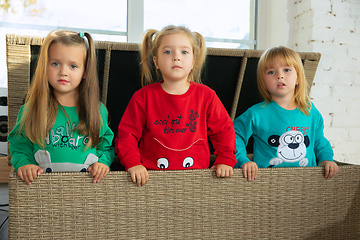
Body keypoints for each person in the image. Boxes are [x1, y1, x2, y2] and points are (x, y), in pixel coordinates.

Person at [115, 25, 236, 186]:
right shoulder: (143, 97)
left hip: (198, 179)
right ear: (156, 61)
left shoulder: (206, 96)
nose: (176, 57)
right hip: (151, 180)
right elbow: (126, 135)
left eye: (184, 52)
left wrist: (225, 159)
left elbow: (223, 130)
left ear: (193, 62)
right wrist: (133, 163)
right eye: (168, 52)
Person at [8, 30, 114, 185]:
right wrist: (24, 164)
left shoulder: (96, 110)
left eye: (73, 66)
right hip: (42, 190)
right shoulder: (31, 109)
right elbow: (19, 143)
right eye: (55, 63)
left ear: (85, 71)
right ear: (45, 66)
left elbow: (107, 146)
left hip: (87, 190)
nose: (63, 72)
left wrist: (103, 163)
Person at [233, 46, 339, 181]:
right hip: (265, 181)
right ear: (263, 82)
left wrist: (326, 159)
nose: (280, 75)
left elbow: (318, 140)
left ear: (298, 78)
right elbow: (234, 135)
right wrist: (243, 160)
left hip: (307, 181)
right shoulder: (256, 114)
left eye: (287, 70)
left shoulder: (310, 111)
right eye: (271, 72)